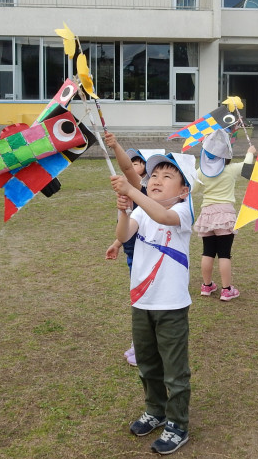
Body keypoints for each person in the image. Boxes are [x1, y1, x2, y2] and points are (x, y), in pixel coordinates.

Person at [111, 152, 197, 455]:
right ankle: (156, 410)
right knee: (147, 364)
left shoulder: (185, 211)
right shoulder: (141, 212)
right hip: (141, 301)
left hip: (171, 305)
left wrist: (132, 191)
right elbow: (123, 235)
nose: (156, 180)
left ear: (184, 190)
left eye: (166, 176)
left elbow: (163, 217)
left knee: (174, 370)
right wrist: (124, 210)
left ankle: (178, 424)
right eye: (154, 175)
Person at [104, 132, 157, 366]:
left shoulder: (144, 191)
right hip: (132, 254)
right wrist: (117, 244)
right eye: (131, 161)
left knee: (146, 301)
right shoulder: (127, 191)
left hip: (148, 257)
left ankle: (145, 346)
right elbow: (127, 226)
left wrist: (115, 146)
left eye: (137, 163)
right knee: (139, 300)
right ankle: (140, 343)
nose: (133, 166)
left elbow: (127, 171)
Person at [193, 129, 256, 301]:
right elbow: (247, 169)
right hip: (225, 215)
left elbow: (192, 188)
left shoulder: (200, 172)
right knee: (224, 254)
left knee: (207, 252)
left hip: (206, 214)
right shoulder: (231, 169)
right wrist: (250, 153)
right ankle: (227, 289)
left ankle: (206, 286)